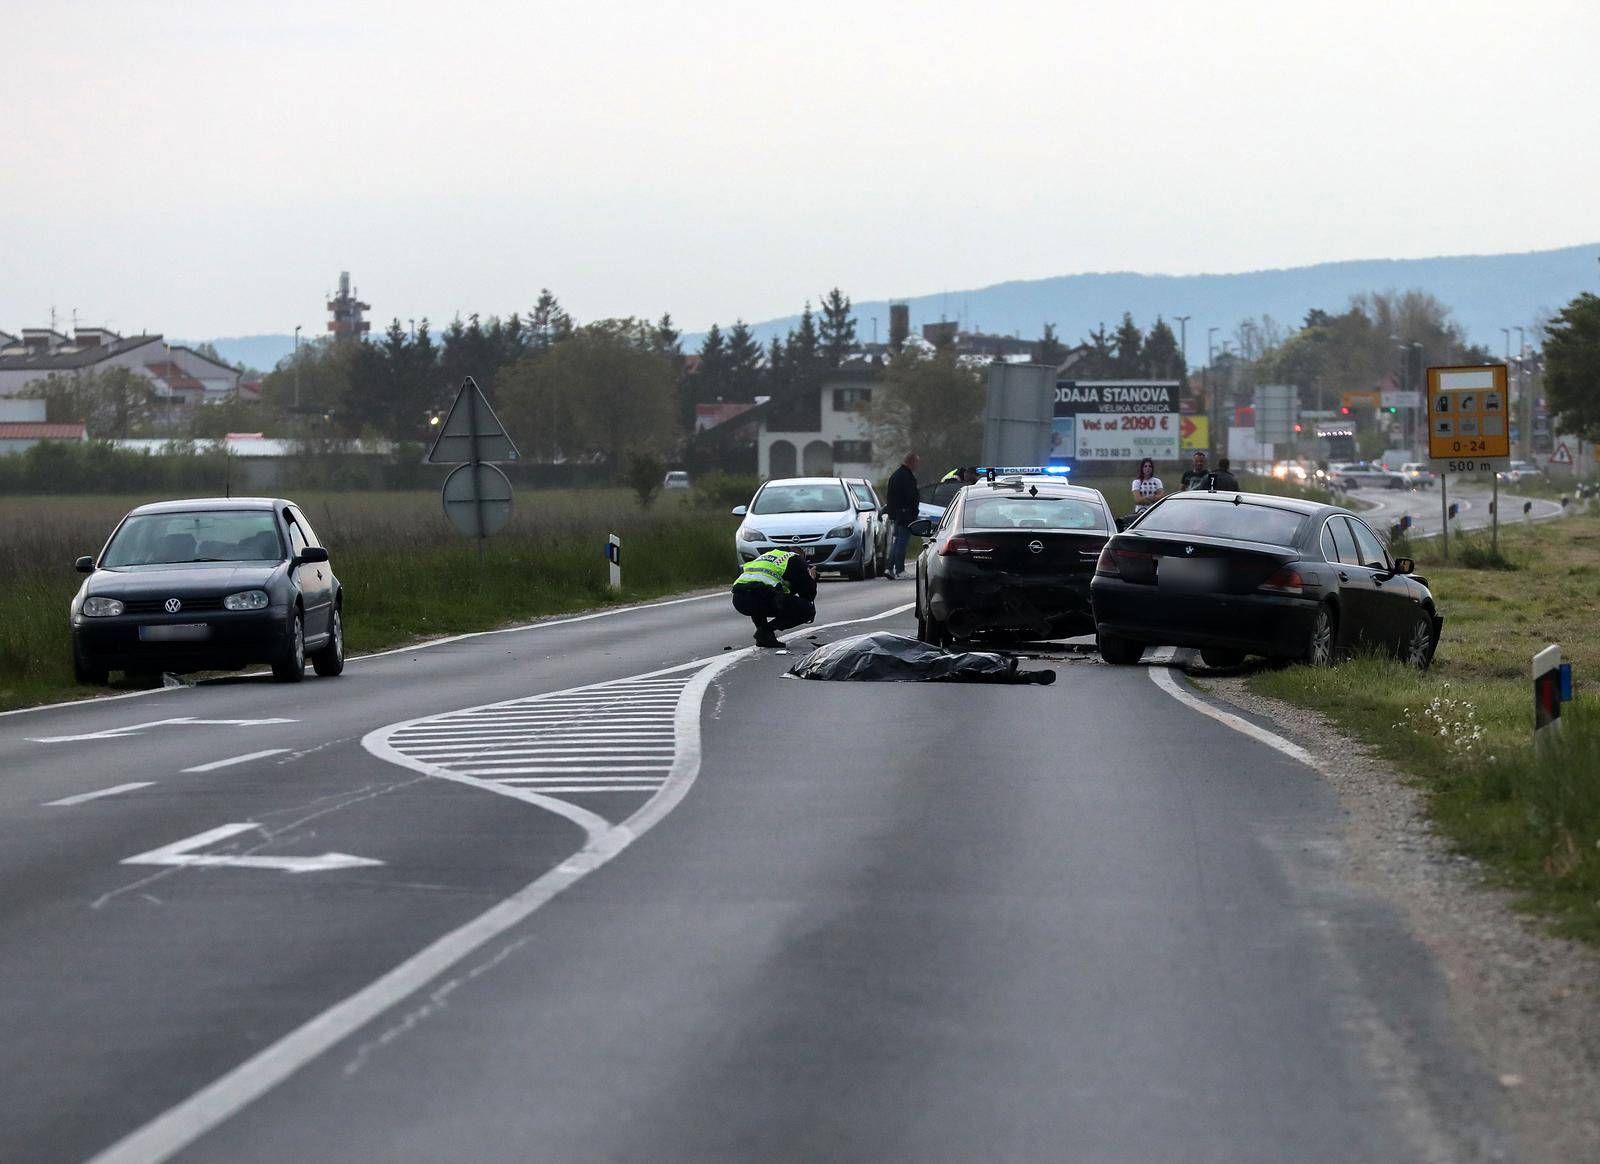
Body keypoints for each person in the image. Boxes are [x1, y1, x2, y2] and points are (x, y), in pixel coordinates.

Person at [731, 548, 817, 647]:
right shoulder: (796, 559)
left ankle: (765, 637)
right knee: (807, 610)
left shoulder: (767, 556)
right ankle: (765, 630)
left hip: (739, 600)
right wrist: (811, 578)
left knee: (761, 593)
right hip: (761, 597)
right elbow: (808, 596)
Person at [885, 452, 921, 580]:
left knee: (897, 542)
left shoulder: (896, 475)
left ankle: (889, 568)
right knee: (901, 542)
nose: (918, 465)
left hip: (897, 514)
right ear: (911, 462)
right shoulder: (906, 477)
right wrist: (913, 511)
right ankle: (899, 569)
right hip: (905, 514)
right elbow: (911, 496)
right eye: (917, 462)